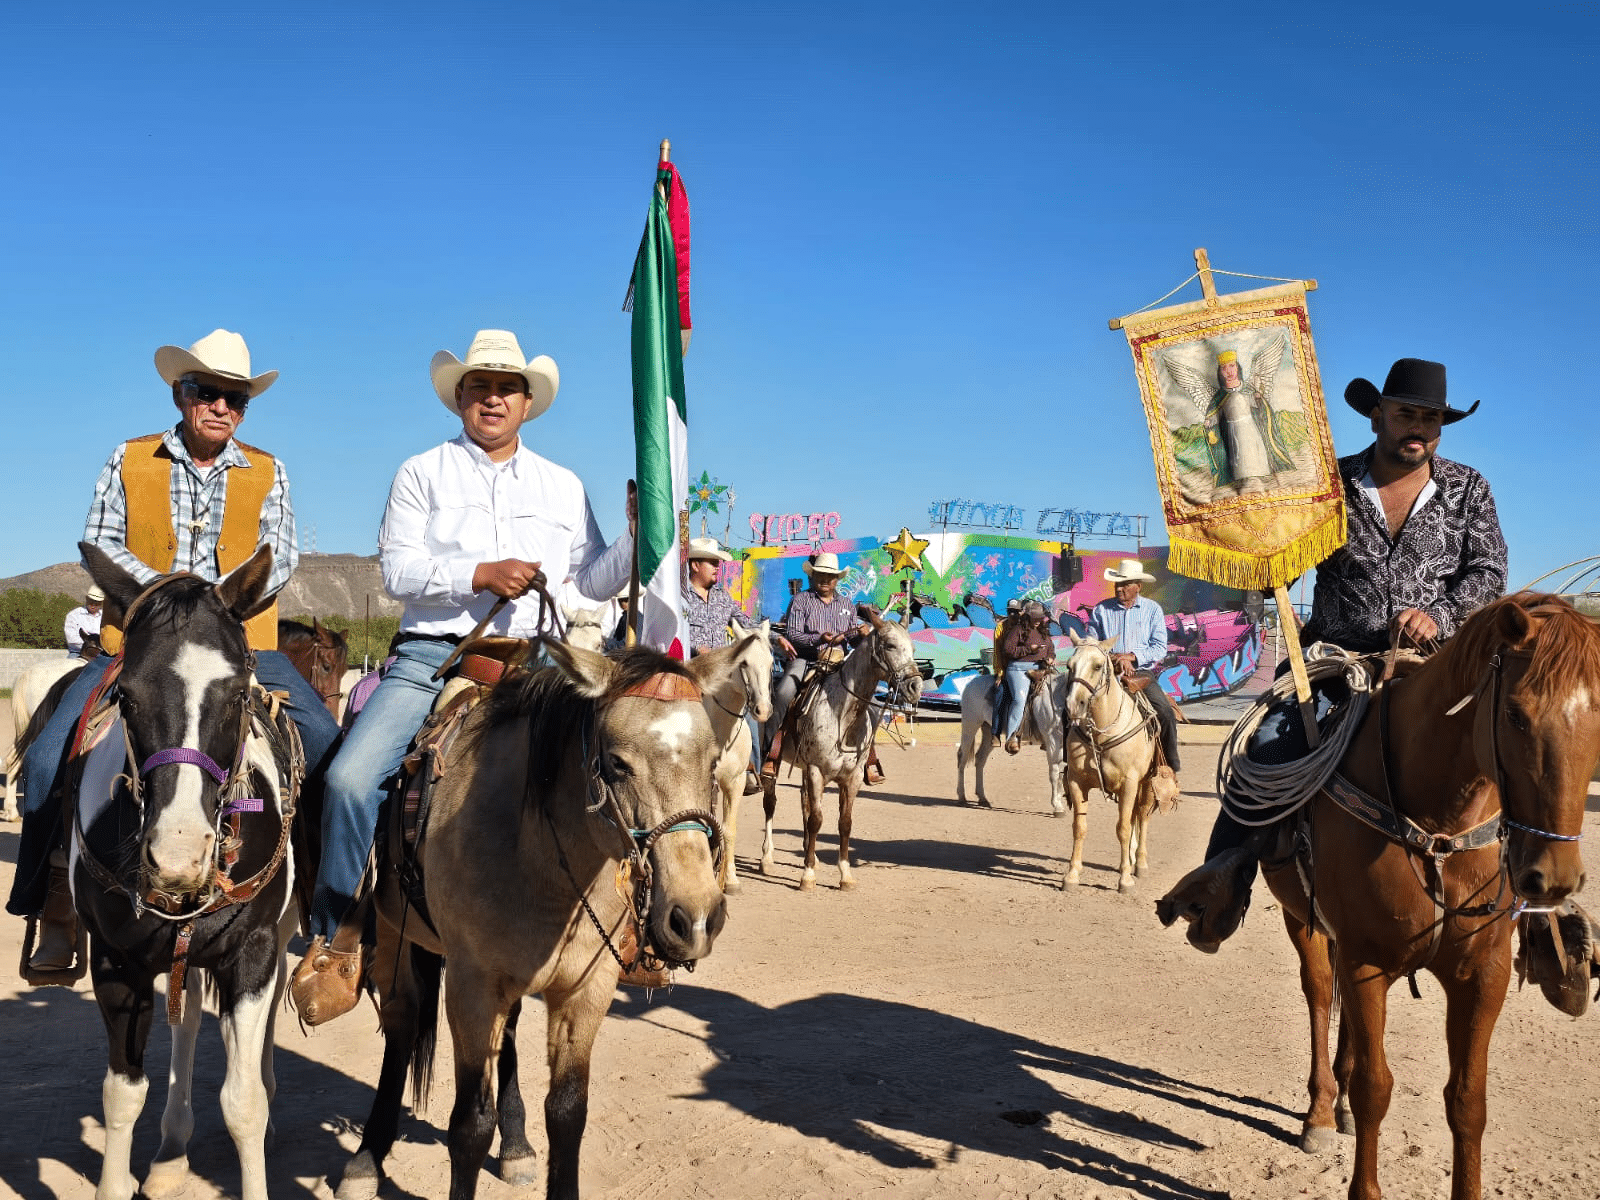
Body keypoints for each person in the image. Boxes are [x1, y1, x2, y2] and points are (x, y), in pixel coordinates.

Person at [290, 329, 634, 1024]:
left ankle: (635, 920)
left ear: (528, 401)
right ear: (460, 398)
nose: (493, 398)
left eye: (507, 387)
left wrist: (636, 536)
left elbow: (591, 583)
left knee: (631, 763)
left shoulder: (562, 484)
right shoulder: (422, 472)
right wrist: (478, 573)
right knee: (351, 779)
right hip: (437, 656)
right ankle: (340, 936)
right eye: (480, 386)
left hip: (541, 663)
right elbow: (399, 571)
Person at [7, 329, 341, 975]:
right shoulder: (131, 459)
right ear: (179, 392)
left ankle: (320, 911)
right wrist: (170, 595)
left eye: (235, 398)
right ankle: (52, 904)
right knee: (50, 753)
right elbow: (98, 537)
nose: (220, 406)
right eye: (205, 391)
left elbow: (281, 556)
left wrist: (215, 605)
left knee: (327, 744)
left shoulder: (270, 471)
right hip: (137, 644)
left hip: (237, 645)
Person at [1159, 357, 1507, 951]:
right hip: (1335, 658)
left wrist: (1440, 616)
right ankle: (1224, 879)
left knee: (1518, 739)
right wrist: (1266, 566)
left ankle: (1540, 905)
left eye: (1430, 418)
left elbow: (1489, 570)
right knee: (1269, 746)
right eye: (1406, 414)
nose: (1418, 427)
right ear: (1378, 416)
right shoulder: (1328, 483)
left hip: (1438, 663)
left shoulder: (1468, 487)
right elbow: (1284, 552)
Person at [760, 552, 874, 782]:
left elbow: (852, 640)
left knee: (867, 703)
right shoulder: (801, 600)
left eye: (830, 576)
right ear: (813, 576)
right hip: (805, 659)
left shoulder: (846, 605)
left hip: (839, 662)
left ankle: (868, 759)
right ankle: (770, 752)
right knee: (783, 694)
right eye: (820, 575)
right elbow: (793, 634)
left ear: (837, 579)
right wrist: (819, 638)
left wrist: (862, 636)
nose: (825, 580)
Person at [1086, 559, 1181, 772]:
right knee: (1074, 705)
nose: (1120, 588)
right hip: (1106, 673)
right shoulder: (1101, 610)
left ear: (1138, 586)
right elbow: (1091, 642)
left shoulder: (1152, 610)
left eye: (1126, 584)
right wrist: (1114, 659)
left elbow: (1159, 648)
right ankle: (1070, 762)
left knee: (1165, 712)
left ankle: (1168, 764)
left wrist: (1132, 657)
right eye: (1118, 584)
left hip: (1141, 673)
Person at [997, 601, 1056, 754]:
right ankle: (1012, 737)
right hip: (1018, 669)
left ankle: (1047, 735)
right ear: (1028, 617)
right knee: (1020, 699)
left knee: (1054, 697)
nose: (1038, 621)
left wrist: (1050, 658)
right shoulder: (1017, 630)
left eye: (1040, 618)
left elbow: (1051, 650)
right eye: (1035, 618)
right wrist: (1029, 649)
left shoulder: (1044, 631)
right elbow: (1008, 650)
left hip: (1040, 668)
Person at [62, 586, 104, 655]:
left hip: (101, 653)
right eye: (91, 601)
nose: (93, 604)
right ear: (87, 599)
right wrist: (92, 647)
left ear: (101, 602)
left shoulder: (105, 616)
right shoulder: (73, 615)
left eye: (97, 602)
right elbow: (72, 640)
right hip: (78, 652)